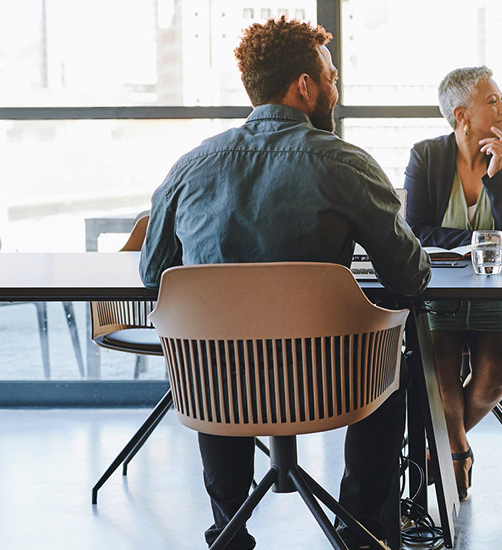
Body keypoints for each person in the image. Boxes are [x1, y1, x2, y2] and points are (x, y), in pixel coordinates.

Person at [139, 17, 429, 550]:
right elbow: (410, 276)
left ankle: (229, 524)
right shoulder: (345, 162)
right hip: (333, 381)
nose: (335, 90)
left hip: (218, 387)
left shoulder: (190, 166)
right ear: (305, 85)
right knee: (396, 357)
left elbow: (153, 275)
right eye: (332, 79)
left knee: (214, 344)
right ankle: (360, 527)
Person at [402, 65, 502, 500]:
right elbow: (416, 231)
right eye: (493, 101)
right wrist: (485, 238)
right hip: (439, 290)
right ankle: (456, 449)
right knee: (438, 366)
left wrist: (497, 176)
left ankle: (434, 446)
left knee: (496, 363)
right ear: (461, 115)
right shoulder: (426, 156)